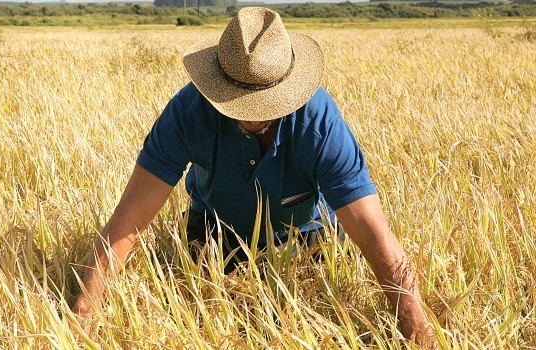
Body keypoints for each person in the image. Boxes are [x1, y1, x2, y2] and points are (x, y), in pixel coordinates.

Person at [72, 7, 436, 345]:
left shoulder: (319, 121)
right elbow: (129, 221)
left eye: (265, 103)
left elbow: (373, 231)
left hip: (308, 237)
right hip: (217, 237)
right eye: (237, 103)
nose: (251, 117)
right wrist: (85, 313)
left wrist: (416, 327)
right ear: (217, 86)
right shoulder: (187, 112)